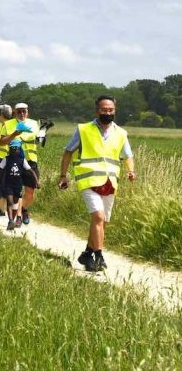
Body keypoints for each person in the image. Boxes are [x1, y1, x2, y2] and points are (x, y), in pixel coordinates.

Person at [59, 95, 135, 272]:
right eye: (104, 110)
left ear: (115, 111)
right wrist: (63, 175)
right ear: (97, 110)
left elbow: (128, 155)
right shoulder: (83, 129)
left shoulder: (121, 133)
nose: (108, 113)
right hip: (88, 180)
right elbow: (68, 151)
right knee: (99, 217)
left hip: (110, 181)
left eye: (111, 110)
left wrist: (131, 170)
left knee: (102, 222)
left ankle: (87, 253)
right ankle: (99, 255)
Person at [0, 102, 40, 224]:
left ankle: (24, 209)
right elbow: (2, 142)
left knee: (30, 189)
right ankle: (17, 217)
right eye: (19, 111)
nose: (22, 113)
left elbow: (36, 138)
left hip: (30, 159)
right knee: (14, 190)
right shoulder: (8, 124)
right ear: (15, 113)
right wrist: (14, 134)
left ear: (28, 112)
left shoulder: (33, 123)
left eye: (24, 111)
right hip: (14, 160)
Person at [0, 140, 40, 230]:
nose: (14, 149)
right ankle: (12, 220)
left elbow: (31, 171)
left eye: (16, 148)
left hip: (19, 182)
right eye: (12, 148)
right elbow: (0, 171)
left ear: (19, 149)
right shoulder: (6, 159)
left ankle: (18, 215)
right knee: (10, 202)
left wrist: (36, 182)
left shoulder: (22, 160)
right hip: (9, 183)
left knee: (16, 201)